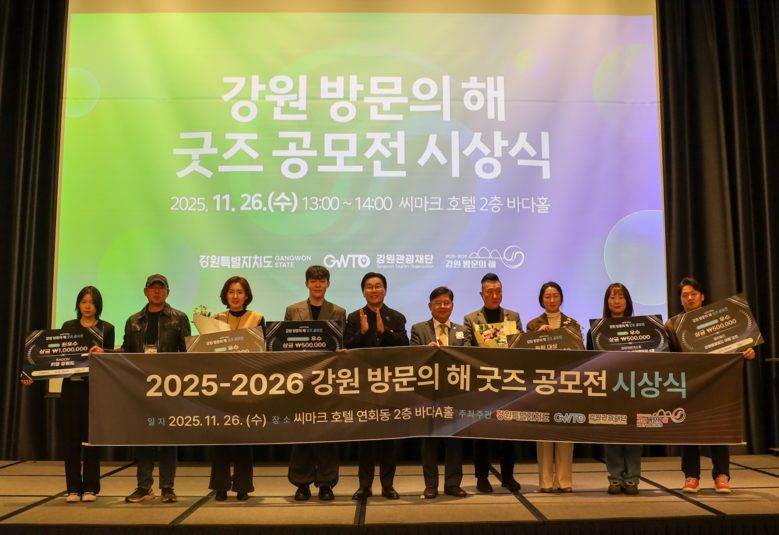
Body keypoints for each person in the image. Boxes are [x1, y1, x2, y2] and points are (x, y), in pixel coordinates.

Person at [90, 274, 190, 504]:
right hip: (140, 388)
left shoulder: (179, 318)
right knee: (143, 437)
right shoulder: (133, 320)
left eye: (161, 288)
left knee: (168, 438)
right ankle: (144, 487)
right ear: (145, 292)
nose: (157, 291)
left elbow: (186, 353)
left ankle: (167, 487)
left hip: (168, 387)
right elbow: (126, 351)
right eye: (152, 288)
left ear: (168, 292)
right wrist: (106, 353)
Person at [22, 287, 115, 503]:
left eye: (92, 302)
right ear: (78, 304)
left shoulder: (107, 329)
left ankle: (91, 487)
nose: (88, 306)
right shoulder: (68, 327)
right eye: (83, 301)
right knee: (71, 439)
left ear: (98, 305)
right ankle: (73, 488)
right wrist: (30, 372)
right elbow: (54, 357)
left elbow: (110, 360)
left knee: (92, 441)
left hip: (95, 390)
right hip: (71, 389)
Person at [664, 277, 755, 495]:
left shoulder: (720, 319)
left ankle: (721, 476)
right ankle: (691, 476)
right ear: (680, 299)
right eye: (685, 295)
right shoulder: (672, 325)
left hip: (717, 383)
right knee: (689, 430)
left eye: (693, 294)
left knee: (718, 428)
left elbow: (736, 345)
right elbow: (666, 356)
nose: (689, 298)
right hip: (689, 385)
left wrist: (747, 351)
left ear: (702, 296)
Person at [285, 265, 346, 502]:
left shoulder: (339, 311)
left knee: (328, 435)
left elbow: (341, 344)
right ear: (306, 284)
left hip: (328, 381)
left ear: (328, 284)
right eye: (313, 281)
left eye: (322, 281)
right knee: (301, 433)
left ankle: (326, 483)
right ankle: (302, 484)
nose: (317, 285)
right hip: (301, 380)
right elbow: (284, 344)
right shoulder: (292, 310)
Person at [345, 272, 409, 500]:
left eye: (378, 286)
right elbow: (346, 346)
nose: (374, 290)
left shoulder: (397, 317)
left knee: (388, 439)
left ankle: (388, 486)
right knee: (365, 439)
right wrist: (362, 332)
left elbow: (405, 345)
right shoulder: (354, 317)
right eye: (369, 287)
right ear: (364, 292)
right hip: (363, 385)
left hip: (390, 385)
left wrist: (385, 331)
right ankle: (364, 486)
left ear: (385, 290)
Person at [463, 273, 523, 493]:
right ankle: (482, 478)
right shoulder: (471, 319)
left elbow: (521, 346)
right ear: (482, 294)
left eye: (498, 291)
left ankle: (508, 476)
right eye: (490, 292)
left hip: (508, 382)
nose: (495, 295)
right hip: (483, 382)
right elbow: (466, 348)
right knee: (482, 434)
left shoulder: (513, 316)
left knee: (508, 432)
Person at [410, 286, 471, 499]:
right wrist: (426, 352)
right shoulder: (418, 329)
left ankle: (453, 483)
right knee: (428, 441)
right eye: (438, 303)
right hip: (428, 395)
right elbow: (412, 356)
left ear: (452, 306)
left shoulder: (463, 330)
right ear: (430, 306)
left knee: (454, 441)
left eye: (446, 303)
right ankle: (430, 485)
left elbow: (469, 356)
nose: (442, 306)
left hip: (455, 394)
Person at [210, 276, 264, 502]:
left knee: (244, 438)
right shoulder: (214, 319)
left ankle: (243, 486)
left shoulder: (257, 318)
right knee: (221, 439)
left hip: (247, 385)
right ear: (225, 295)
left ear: (247, 295)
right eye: (231, 291)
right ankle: (220, 486)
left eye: (240, 292)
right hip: (220, 385)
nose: (235, 296)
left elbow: (262, 350)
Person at [585, 283, 642, 495]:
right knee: (611, 435)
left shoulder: (641, 328)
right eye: (612, 297)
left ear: (627, 301)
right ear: (606, 301)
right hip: (608, 389)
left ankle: (633, 478)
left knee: (634, 434)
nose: (617, 301)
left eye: (621, 297)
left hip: (634, 388)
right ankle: (615, 478)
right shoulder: (596, 330)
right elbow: (589, 361)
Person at [527, 282, 582, 494]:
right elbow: (525, 355)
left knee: (565, 432)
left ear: (561, 298)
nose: (552, 300)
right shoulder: (533, 324)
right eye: (548, 296)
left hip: (566, 384)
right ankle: (545, 482)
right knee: (544, 433)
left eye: (556, 296)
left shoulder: (573, 324)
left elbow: (581, 353)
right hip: (542, 385)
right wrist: (538, 336)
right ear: (542, 300)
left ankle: (564, 480)